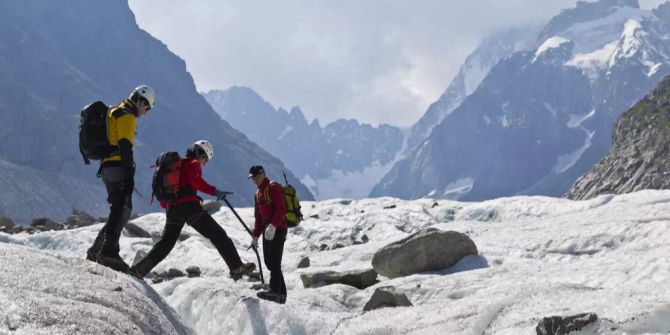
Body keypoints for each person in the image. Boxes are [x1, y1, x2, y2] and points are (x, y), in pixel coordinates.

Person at [129, 140, 256, 280]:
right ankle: (237, 267)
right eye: (205, 160)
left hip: (173, 209)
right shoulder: (193, 163)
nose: (204, 163)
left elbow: (182, 186)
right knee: (218, 234)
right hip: (189, 208)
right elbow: (197, 182)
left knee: (165, 244)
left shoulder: (180, 163)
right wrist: (215, 191)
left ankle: (138, 270)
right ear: (202, 156)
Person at [86, 85, 155, 272]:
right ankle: (108, 252)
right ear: (140, 101)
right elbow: (125, 146)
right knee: (122, 208)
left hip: (106, 167)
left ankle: (96, 250)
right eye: (147, 107)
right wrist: (129, 174)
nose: (146, 112)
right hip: (117, 166)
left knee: (118, 208)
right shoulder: (127, 116)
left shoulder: (114, 111)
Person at [249, 165, 288, 304]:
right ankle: (281, 294)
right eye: (253, 178)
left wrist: (274, 225)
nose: (255, 180)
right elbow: (258, 217)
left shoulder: (273, 187)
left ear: (263, 174)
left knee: (274, 260)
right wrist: (255, 235)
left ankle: (275, 290)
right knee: (269, 262)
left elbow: (282, 209)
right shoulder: (258, 193)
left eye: (256, 176)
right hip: (266, 229)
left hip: (278, 228)